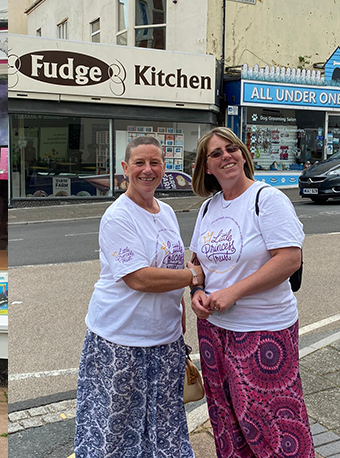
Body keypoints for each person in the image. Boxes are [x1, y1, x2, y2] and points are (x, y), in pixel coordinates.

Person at [74, 136, 202, 458]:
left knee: (165, 425)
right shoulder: (118, 217)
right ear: (125, 168)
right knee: (115, 429)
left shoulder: (168, 211)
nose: (147, 170)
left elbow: (168, 262)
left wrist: (180, 307)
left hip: (164, 340)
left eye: (155, 162)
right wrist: (194, 277)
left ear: (164, 167)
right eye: (139, 163)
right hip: (121, 340)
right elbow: (139, 278)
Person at [189, 127, 313, 458]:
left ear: (243, 155)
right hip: (214, 330)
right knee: (225, 416)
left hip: (263, 328)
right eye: (215, 153)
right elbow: (197, 263)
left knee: (273, 419)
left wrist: (235, 292)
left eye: (231, 149)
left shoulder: (267, 199)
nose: (226, 156)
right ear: (207, 168)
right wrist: (197, 290)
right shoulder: (207, 208)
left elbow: (289, 258)